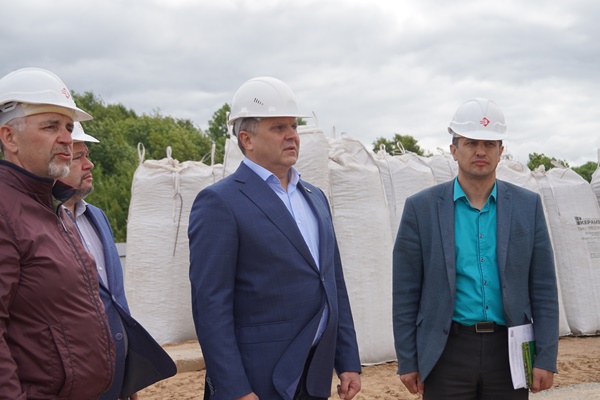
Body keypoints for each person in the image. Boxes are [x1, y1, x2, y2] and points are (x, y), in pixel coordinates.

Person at [188, 77, 362, 400]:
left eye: (293, 126)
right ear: (247, 139)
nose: (292, 135)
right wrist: (234, 389)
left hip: (314, 376)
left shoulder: (315, 197)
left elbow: (333, 283)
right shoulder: (220, 202)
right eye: (279, 127)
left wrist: (347, 359)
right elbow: (210, 306)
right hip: (258, 380)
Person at [392, 98, 559, 399]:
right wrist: (408, 360)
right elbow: (405, 291)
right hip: (446, 351)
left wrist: (546, 356)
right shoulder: (421, 208)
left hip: (509, 351)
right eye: (470, 143)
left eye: (489, 144)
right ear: (454, 150)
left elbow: (544, 287)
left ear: (501, 151)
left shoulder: (527, 206)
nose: (480, 151)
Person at [0, 67, 115, 398]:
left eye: (68, 127)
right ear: (9, 137)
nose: (67, 138)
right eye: (51, 126)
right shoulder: (6, 211)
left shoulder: (55, 209)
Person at [59, 122, 177, 400]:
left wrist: (129, 379)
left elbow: (115, 298)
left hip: (117, 376)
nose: (89, 164)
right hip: (76, 380)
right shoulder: (43, 225)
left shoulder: (97, 217)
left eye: (88, 155)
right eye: (78, 157)